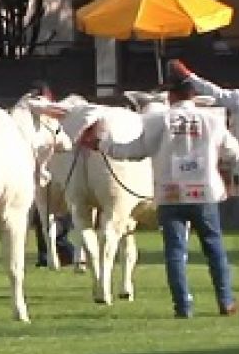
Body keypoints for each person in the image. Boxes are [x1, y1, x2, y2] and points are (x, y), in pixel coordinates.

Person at [77, 75, 239, 318]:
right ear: (193, 96)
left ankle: (183, 306)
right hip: (204, 193)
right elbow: (233, 153)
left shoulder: (158, 120)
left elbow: (132, 151)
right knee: (214, 249)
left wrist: (102, 144)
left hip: (170, 195)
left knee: (175, 252)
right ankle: (225, 301)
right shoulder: (212, 121)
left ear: (171, 96)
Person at [29, 80, 76, 268]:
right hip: (49, 169)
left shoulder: (34, 115)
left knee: (46, 215)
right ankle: (57, 251)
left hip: (43, 168)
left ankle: (49, 253)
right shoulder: (48, 116)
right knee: (58, 214)